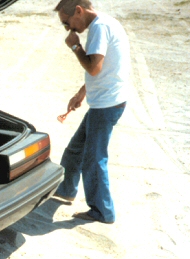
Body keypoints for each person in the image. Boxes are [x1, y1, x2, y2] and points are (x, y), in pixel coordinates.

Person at [53, 0, 130, 224]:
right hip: (106, 101)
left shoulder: (99, 28)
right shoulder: (106, 23)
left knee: (94, 160)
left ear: (78, 10)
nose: (69, 29)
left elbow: (94, 67)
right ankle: (67, 189)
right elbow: (104, 65)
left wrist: (76, 46)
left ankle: (102, 211)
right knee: (76, 149)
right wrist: (82, 93)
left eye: (67, 23)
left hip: (106, 105)